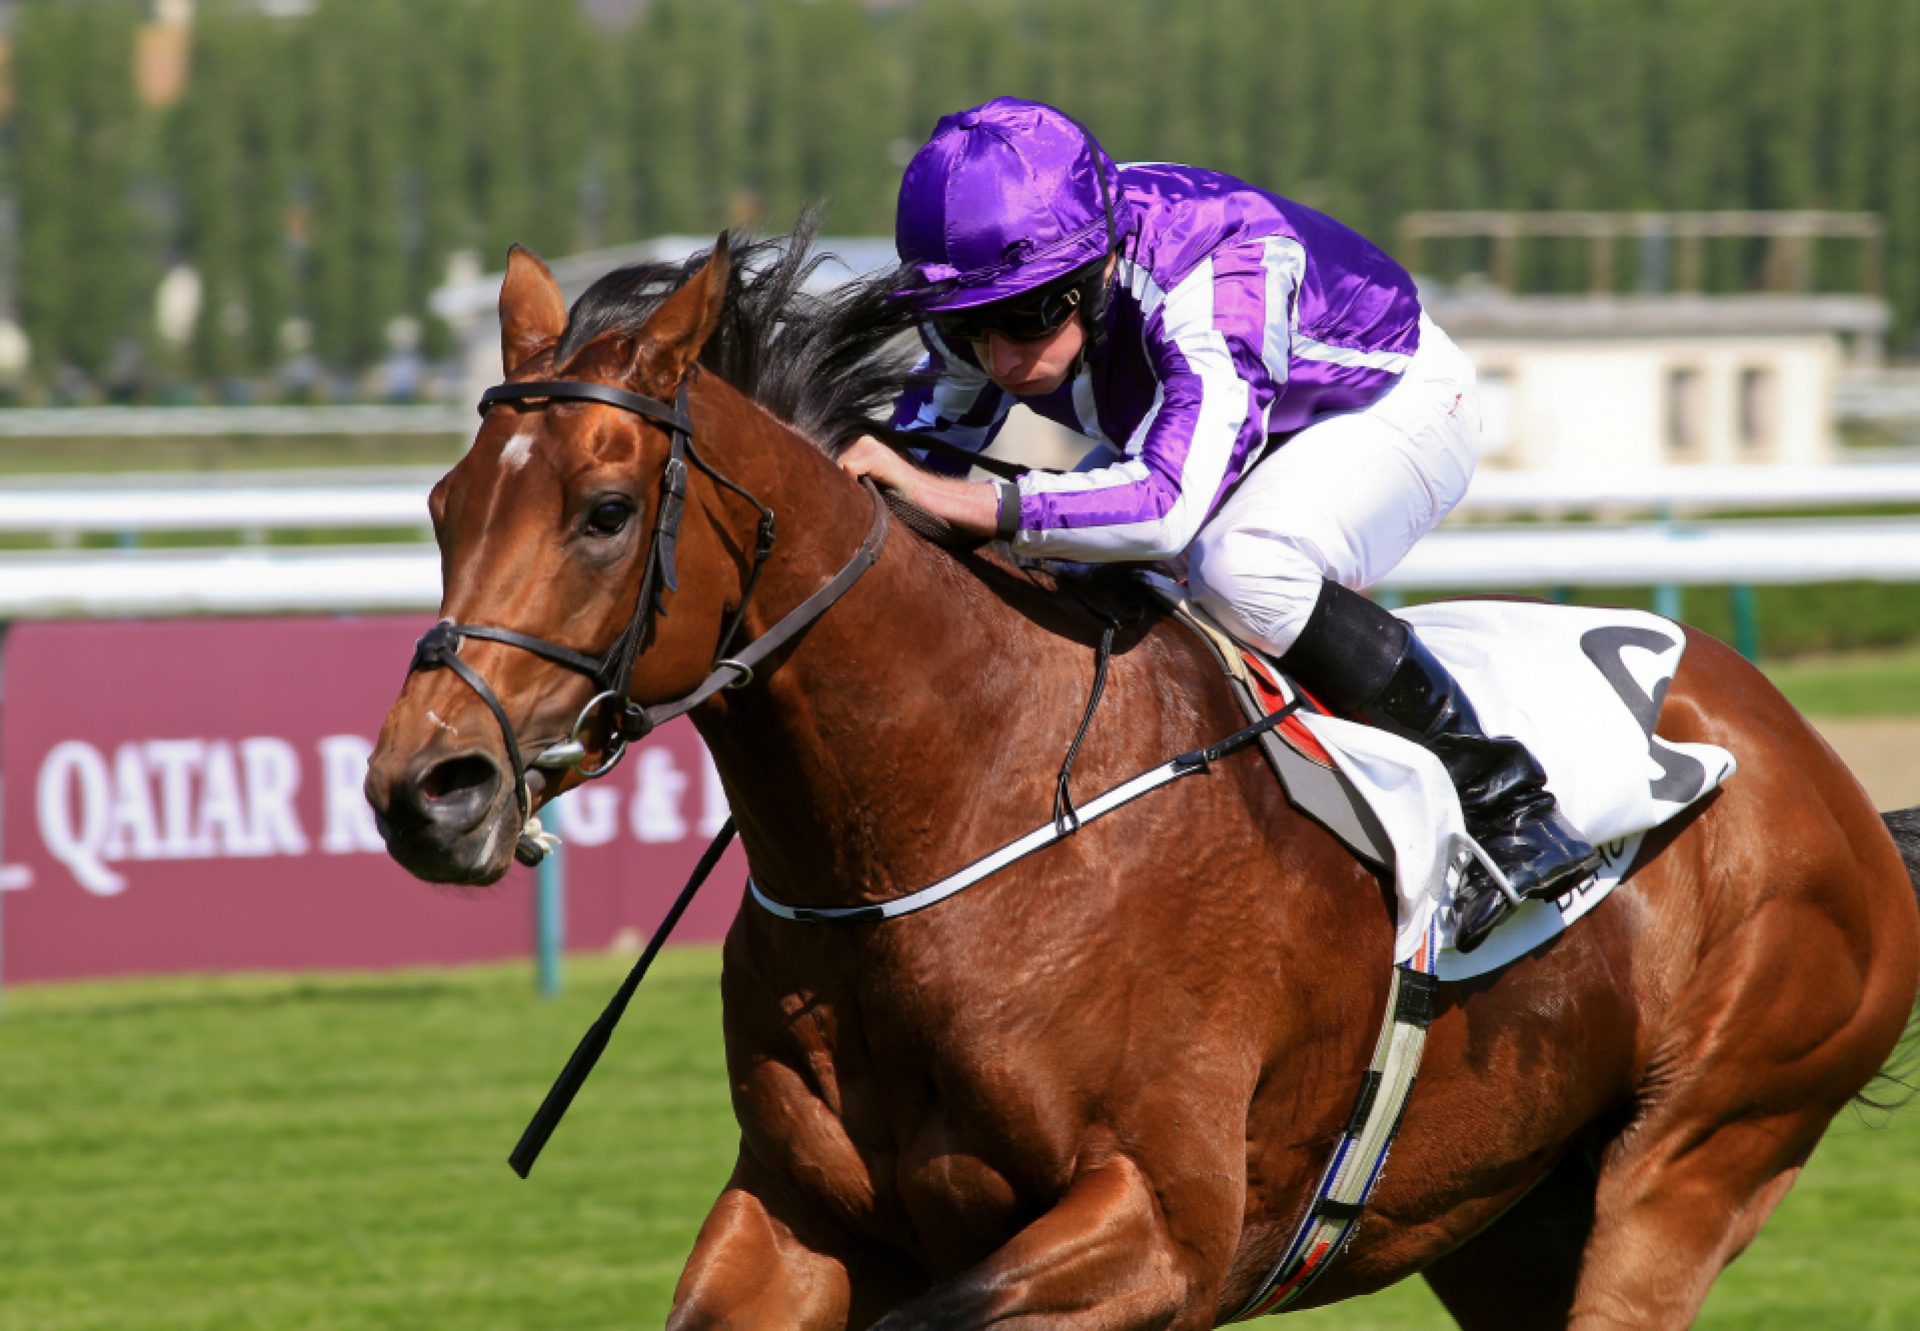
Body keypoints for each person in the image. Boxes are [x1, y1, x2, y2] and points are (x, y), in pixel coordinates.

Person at [839, 96, 1595, 949]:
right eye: (971, 326)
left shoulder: (1211, 273)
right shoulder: (996, 284)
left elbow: (1166, 510)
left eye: (1029, 317)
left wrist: (982, 504)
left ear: (1096, 268)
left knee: (1241, 567)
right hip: (1230, 425)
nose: (1003, 358)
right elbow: (911, 457)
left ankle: (1508, 805)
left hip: (1392, 406)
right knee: (1060, 566)